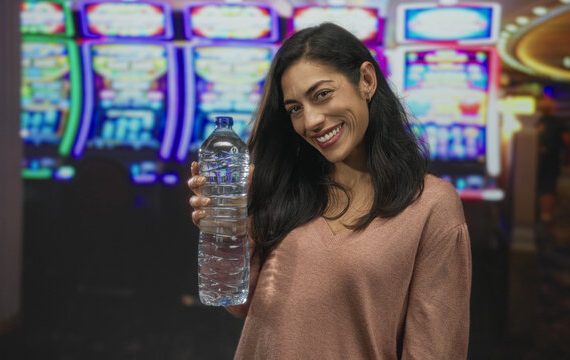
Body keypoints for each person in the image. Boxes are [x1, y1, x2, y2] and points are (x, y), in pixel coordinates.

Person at [188, 23, 471, 359]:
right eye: (295, 109)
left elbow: (433, 351)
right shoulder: (284, 186)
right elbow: (237, 302)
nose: (310, 121)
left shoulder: (431, 206)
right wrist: (225, 229)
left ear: (366, 81)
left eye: (322, 95)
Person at [535, 98, 570, 222]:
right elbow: (567, 140)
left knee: (537, 183)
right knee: (549, 185)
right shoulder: (558, 122)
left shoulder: (536, 122)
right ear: (553, 109)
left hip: (536, 158)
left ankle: (536, 211)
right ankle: (546, 214)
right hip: (552, 157)